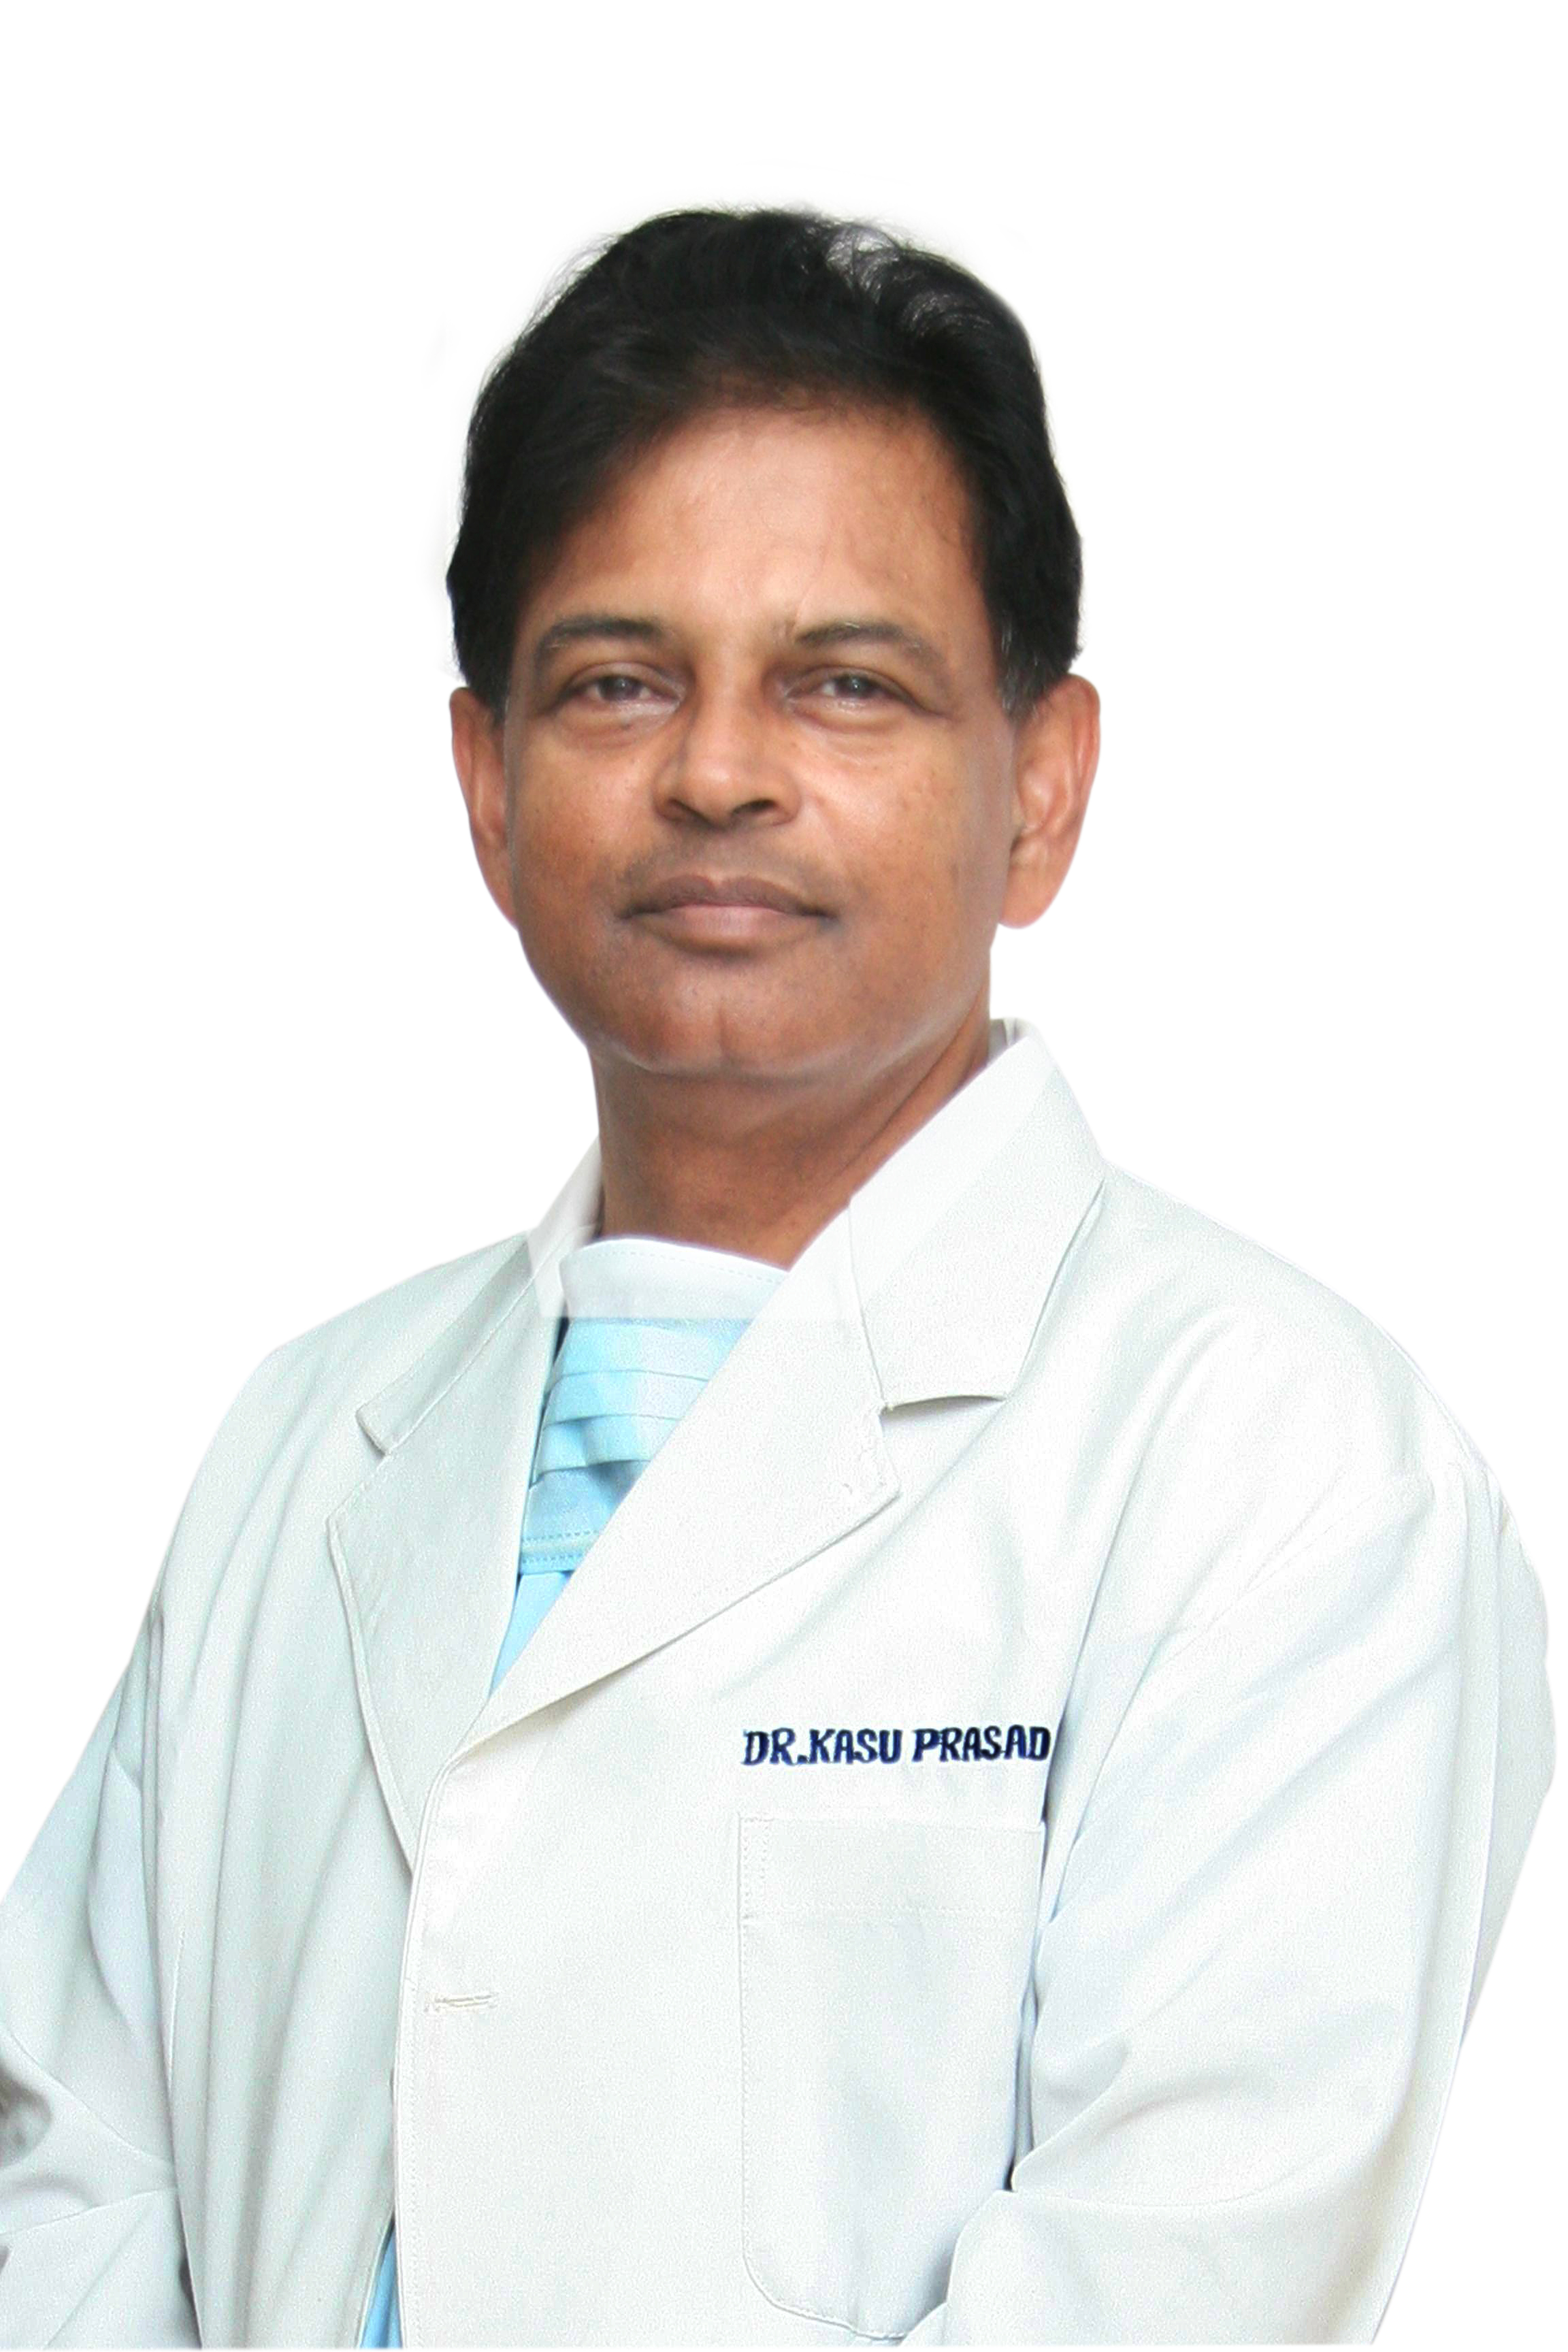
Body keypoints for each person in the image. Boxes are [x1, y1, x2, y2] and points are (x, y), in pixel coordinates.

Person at [0, 205, 1552, 2349]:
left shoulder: (1282, 1472)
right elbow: (76, 2176)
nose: (717, 772)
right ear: (487, 786)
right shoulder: (305, 1442)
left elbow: (1172, 2285)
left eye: (846, 685)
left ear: (1043, 788)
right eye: (618, 683)